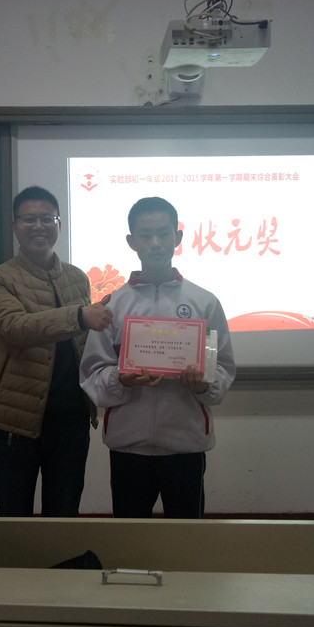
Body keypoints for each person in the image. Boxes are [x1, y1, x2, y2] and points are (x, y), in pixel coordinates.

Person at [79, 196, 235, 519]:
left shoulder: (205, 302)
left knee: (186, 536)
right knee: (130, 537)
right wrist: (120, 379)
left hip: (186, 444)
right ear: (131, 241)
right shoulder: (112, 305)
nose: (155, 243)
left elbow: (222, 368)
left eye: (164, 234)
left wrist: (203, 384)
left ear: (178, 237)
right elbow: (92, 373)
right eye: (145, 235)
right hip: (128, 445)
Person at [0, 185, 112, 517]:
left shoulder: (77, 278)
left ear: (59, 225)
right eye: (29, 219)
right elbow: (15, 328)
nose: (39, 226)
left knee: (64, 516)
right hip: (15, 421)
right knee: (13, 517)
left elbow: (85, 342)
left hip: (72, 420)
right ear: (15, 226)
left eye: (47, 219)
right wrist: (79, 316)